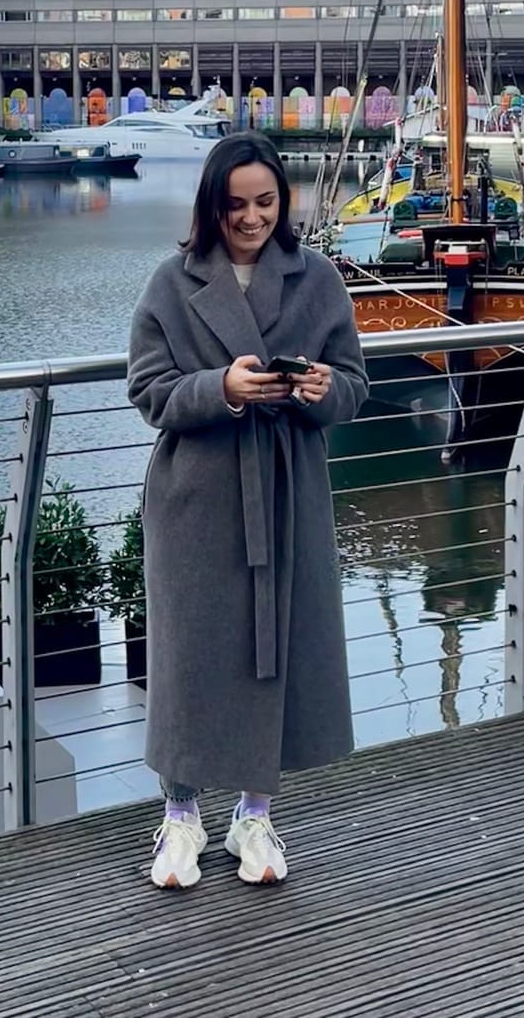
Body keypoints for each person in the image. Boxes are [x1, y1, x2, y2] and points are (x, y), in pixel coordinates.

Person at [127, 133, 368, 890]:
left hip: (288, 490)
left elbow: (354, 384)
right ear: (212, 206)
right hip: (196, 497)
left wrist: (320, 389)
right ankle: (179, 816)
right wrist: (221, 389)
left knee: (280, 647)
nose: (252, 218)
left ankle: (255, 814)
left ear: (282, 202)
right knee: (188, 654)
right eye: (236, 205)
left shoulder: (317, 277)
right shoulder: (171, 283)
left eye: (265, 202)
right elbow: (148, 390)